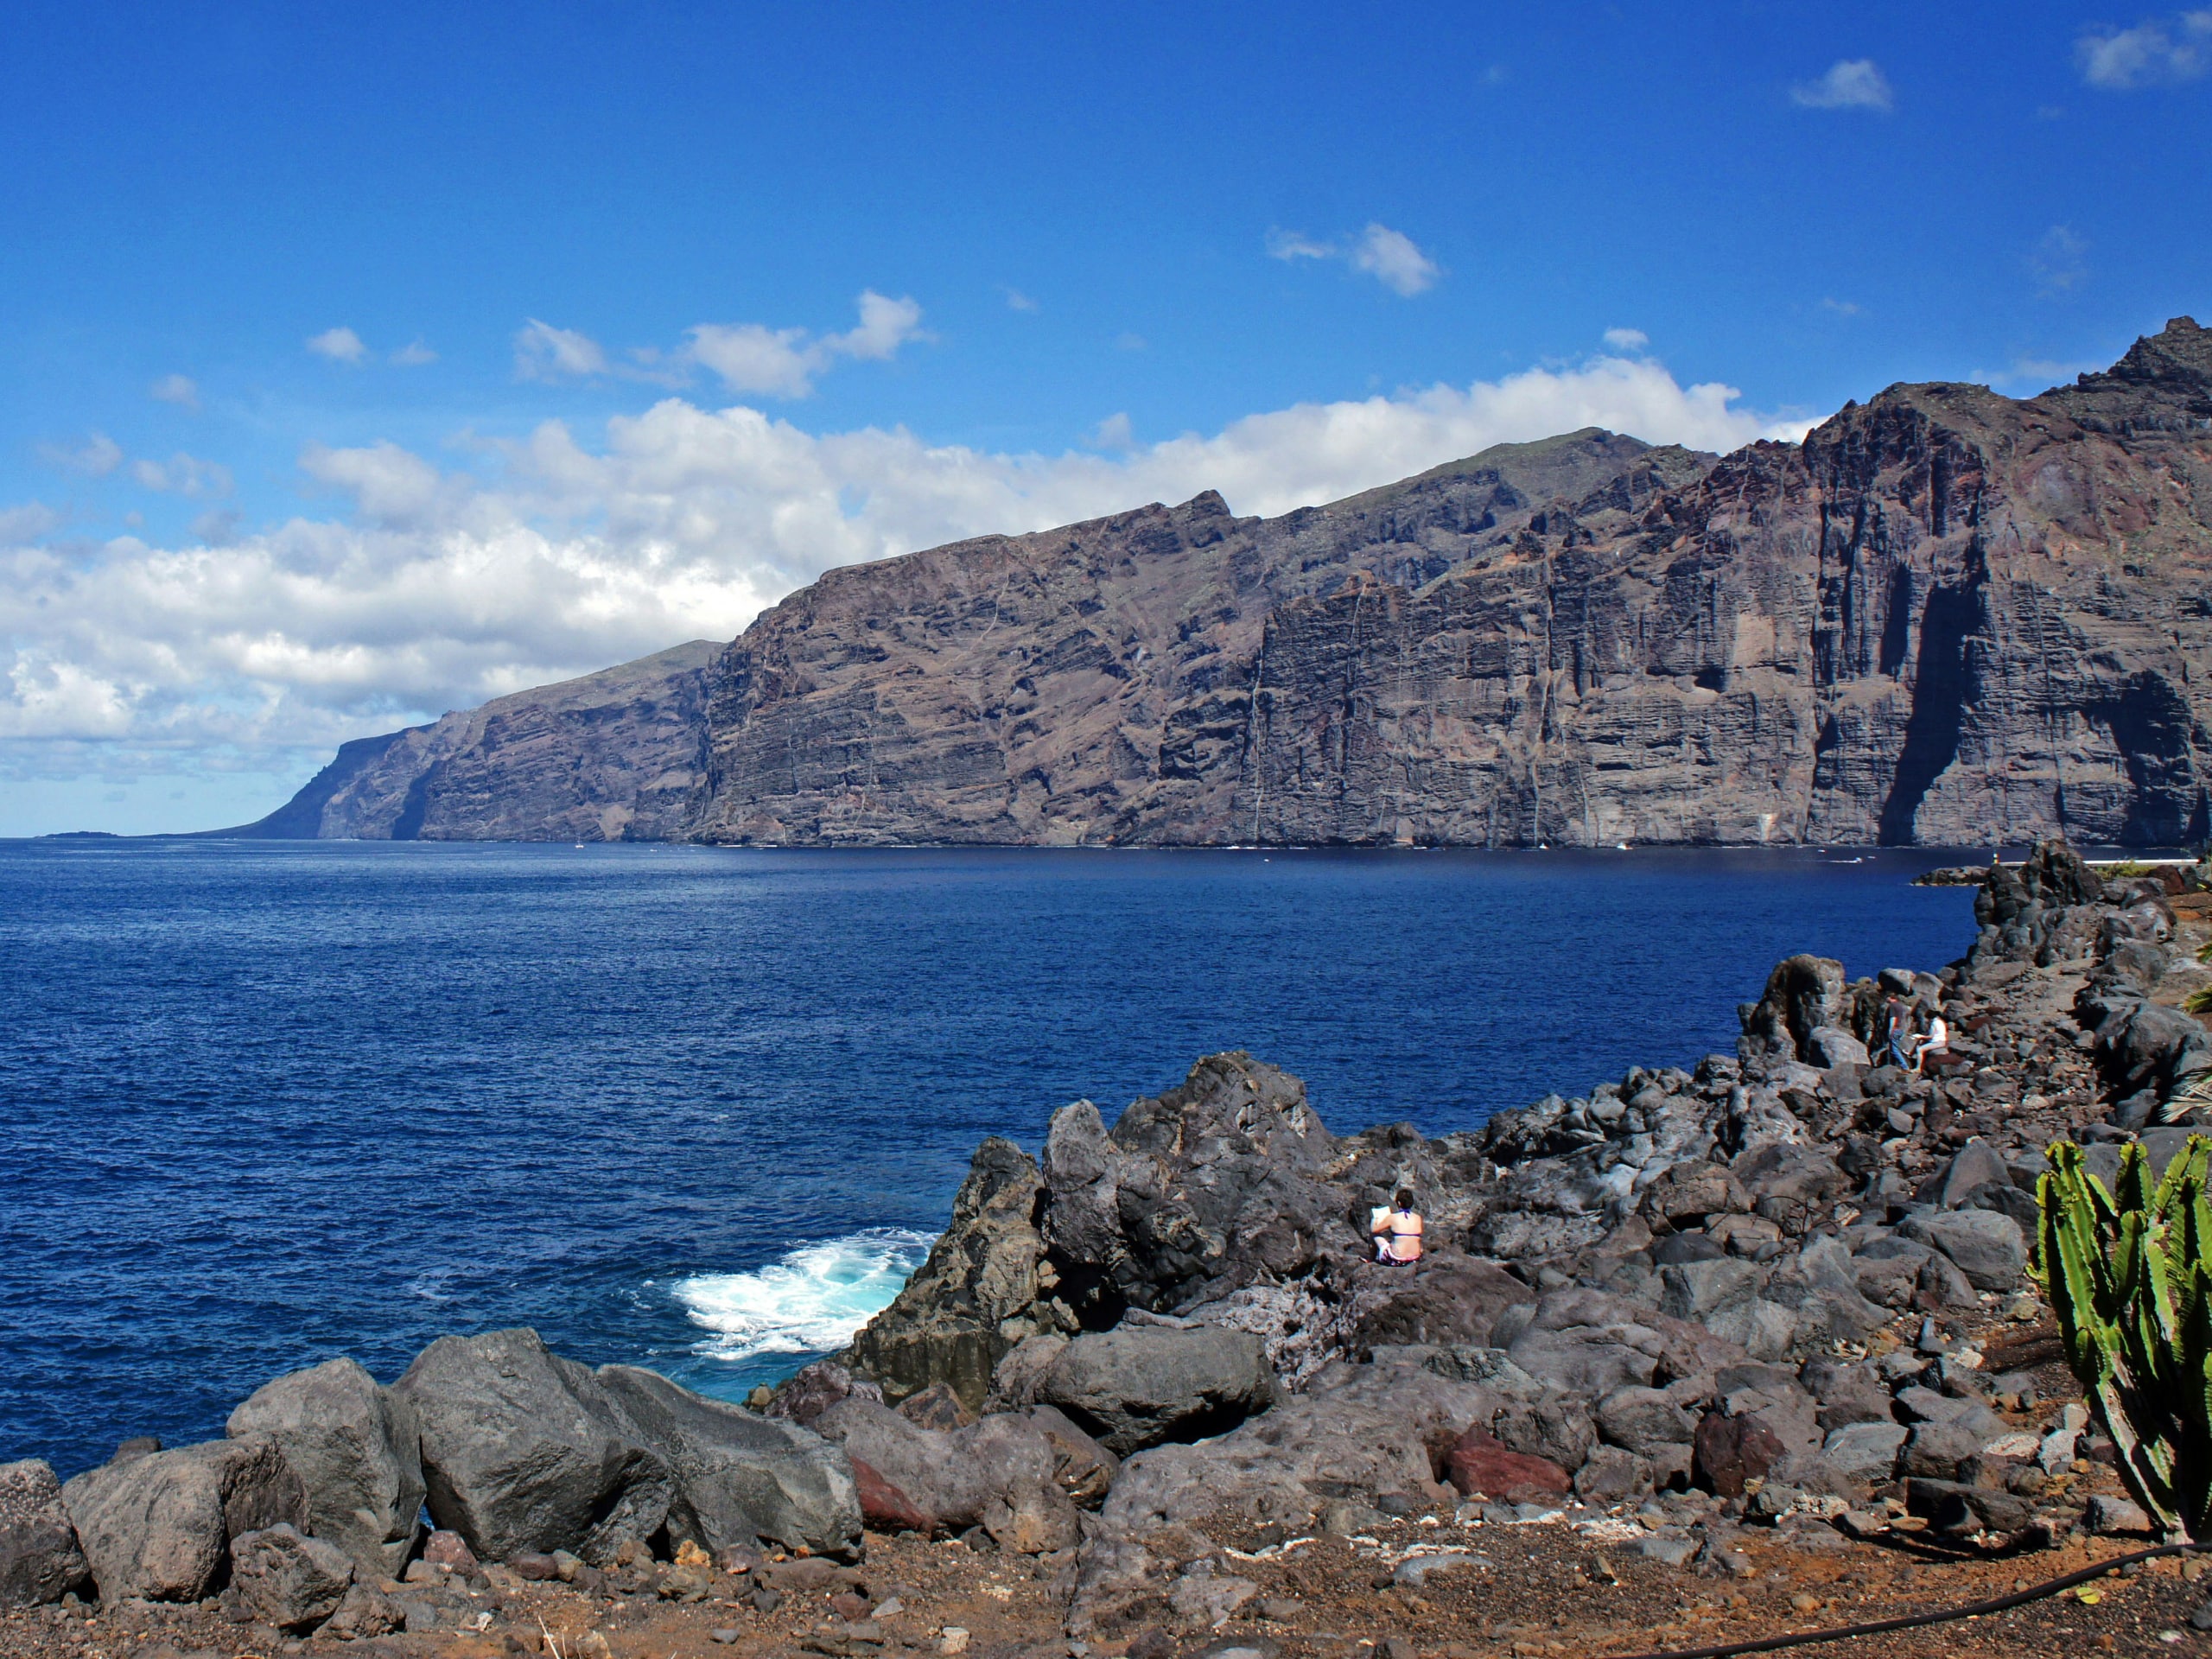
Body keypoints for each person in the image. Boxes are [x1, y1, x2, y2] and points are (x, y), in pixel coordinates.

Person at [1370, 1189, 1423, 1264]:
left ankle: (1371, 1259)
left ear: (1399, 1203)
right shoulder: (1418, 1218)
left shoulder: (1392, 1217)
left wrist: (1375, 1219)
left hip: (1397, 1259)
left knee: (1374, 1233)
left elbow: (1374, 1230)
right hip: (1415, 1258)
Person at [1909, 1009, 1951, 1075]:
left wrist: (1920, 1036)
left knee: (1920, 1050)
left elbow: (1931, 1036)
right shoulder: (1941, 1022)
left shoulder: (1934, 1024)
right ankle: (1911, 1054)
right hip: (1942, 1040)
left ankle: (1918, 1068)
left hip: (1937, 1042)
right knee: (1922, 1041)